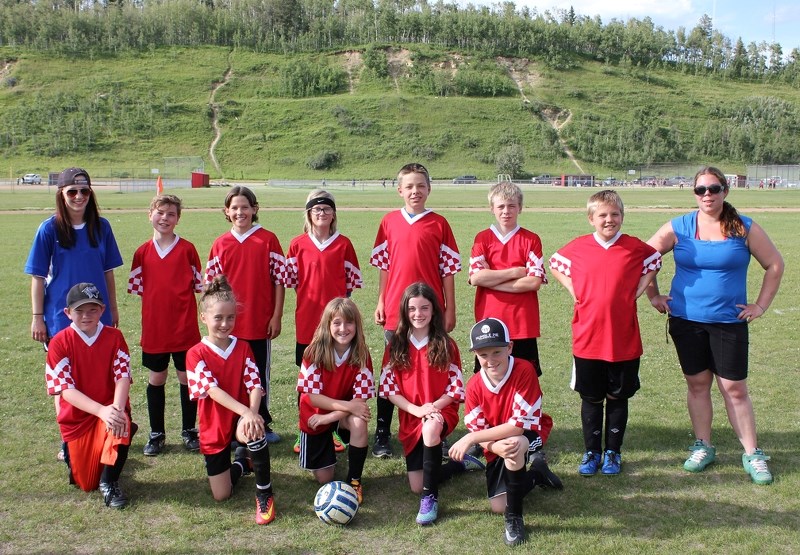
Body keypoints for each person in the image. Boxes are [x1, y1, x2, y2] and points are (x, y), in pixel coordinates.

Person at [646, 167, 784, 485]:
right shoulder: (679, 226)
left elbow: (775, 264)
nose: (707, 194)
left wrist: (760, 305)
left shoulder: (743, 227)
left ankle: (752, 453)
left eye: (714, 188)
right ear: (694, 193)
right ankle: (703, 445)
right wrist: (654, 296)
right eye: (701, 190)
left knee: (734, 389)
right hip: (686, 321)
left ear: (725, 191)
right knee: (697, 385)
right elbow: (645, 258)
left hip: (728, 323)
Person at [549, 190, 661, 476]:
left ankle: (613, 452)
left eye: (615, 214)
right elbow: (555, 262)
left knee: (618, 397)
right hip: (587, 338)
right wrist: (573, 289)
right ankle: (591, 452)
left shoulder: (634, 247)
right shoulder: (578, 247)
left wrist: (639, 289)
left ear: (622, 216)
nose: (609, 220)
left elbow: (655, 260)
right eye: (602, 215)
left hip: (623, 338)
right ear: (591, 219)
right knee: (591, 398)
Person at [26, 167, 123, 461]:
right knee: (65, 384)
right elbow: (38, 278)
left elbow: (108, 273)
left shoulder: (101, 227)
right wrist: (37, 316)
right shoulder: (49, 230)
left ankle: (100, 434)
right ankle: (69, 441)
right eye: (72, 191)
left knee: (99, 377)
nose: (78, 197)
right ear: (61, 194)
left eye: (84, 191)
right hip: (60, 318)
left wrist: (113, 309)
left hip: (98, 316)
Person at [370, 163, 461, 458]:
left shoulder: (439, 223)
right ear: (399, 190)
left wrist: (449, 308)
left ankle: (438, 428)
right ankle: (383, 433)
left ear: (429, 189)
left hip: (429, 311)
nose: (415, 191)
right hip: (398, 311)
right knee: (392, 372)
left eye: (420, 186)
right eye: (409, 186)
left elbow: (448, 271)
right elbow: (384, 266)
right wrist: (382, 300)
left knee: (434, 369)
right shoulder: (388, 222)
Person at [379, 282, 481, 526]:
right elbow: (388, 389)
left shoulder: (446, 344)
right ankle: (458, 466)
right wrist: (417, 410)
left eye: (424, 308)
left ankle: (430, 498)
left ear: (434, 310)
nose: (418, 314)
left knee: (431, 428)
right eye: (412, 309)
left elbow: (455, 390)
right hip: (411, 414)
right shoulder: (396, 345)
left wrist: (432, 408)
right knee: (417, 484)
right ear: (404, 311)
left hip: (440, 410)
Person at [449, 318, 554, 547]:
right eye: (483, 355)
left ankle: (514, 518)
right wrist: (494, 446)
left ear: (510, 347)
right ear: (475, 354)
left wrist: (471, 438)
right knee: (497, 505)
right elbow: (479, 427)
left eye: (497, 352)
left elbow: (518, 426)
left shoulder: (524, 370)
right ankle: (537, 475)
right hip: (495, 443)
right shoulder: (475, 384)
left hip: (529, 434)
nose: (490, 360)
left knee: (514, 443)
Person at [187, 276, 276, 524]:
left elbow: (255, 384)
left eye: (230, 318)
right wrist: (246, 412)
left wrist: (251, 414)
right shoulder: (195, 354)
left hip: (240, 418)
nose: (225, 324)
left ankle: (264, 494)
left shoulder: (243, 346)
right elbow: (213, 391)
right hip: (214, 422)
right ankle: (241, 463)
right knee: (221, 495)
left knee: (255, 427)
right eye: (218, 318)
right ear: (203, 317)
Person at [205, 186, 286, 443]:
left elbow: (279, 281)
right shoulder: (220, 244)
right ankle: (232, 423)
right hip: (228, 326)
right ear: (227, 212)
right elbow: (212, 287)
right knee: (230, 376)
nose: (240, 212)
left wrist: (276, 316)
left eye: (245, 207)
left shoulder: (268, 239)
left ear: (255, 209)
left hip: (259, 322)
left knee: (259, 374)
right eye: (235, 208)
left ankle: (263, 421)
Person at [285, 190, 363, 454]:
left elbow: (350, 288)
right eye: (316, 209)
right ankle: (303, 429)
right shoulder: (297, 244)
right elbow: (292, 283)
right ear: (308, 213)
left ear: (334, 214)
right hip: (308, 323)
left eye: (327, 209)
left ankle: (333, 431)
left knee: (335, 379)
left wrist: (339, 318)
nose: (322, 214)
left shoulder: (344, 244)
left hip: (339, 327)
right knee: (307, 380)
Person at [45, 282, 135, 509]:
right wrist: (101, 411)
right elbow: (66, 390)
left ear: (102, 310)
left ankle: (110, 482)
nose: (86, 315)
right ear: (68, 313)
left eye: (93, 309)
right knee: (85, 483)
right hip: (79, 418)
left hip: (108, 409)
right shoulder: (59, 342)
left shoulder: (114, 337)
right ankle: (70, 452)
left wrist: (114, 409)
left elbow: (122, 376)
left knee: (121, 421)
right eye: (80, 310)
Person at [128, 194, 203, 456]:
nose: (165, 218)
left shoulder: (188, 250)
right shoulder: (142, 253)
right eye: (160, 213)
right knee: (157, 378)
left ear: (178, 218)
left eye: (171, 214)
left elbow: (198, 286)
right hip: (156, 330)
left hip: (185, 329)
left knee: (187, 378)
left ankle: (189, 430)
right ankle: (157, 433)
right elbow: (140, 291)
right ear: (150, 215)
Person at [296, 298, 374, 504]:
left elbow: (360, 402)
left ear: (357, 325)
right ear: (327, 325)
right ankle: (327, 444)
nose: (343, 328)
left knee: (359, 421)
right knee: (325, 479)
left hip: (339, 416)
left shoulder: (362, 355)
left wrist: (333, 417)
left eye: (349, 323)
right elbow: (313, 397)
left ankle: (355, 480)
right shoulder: (313, 353)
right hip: (315, 417)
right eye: (337, 323)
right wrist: (334, 413)